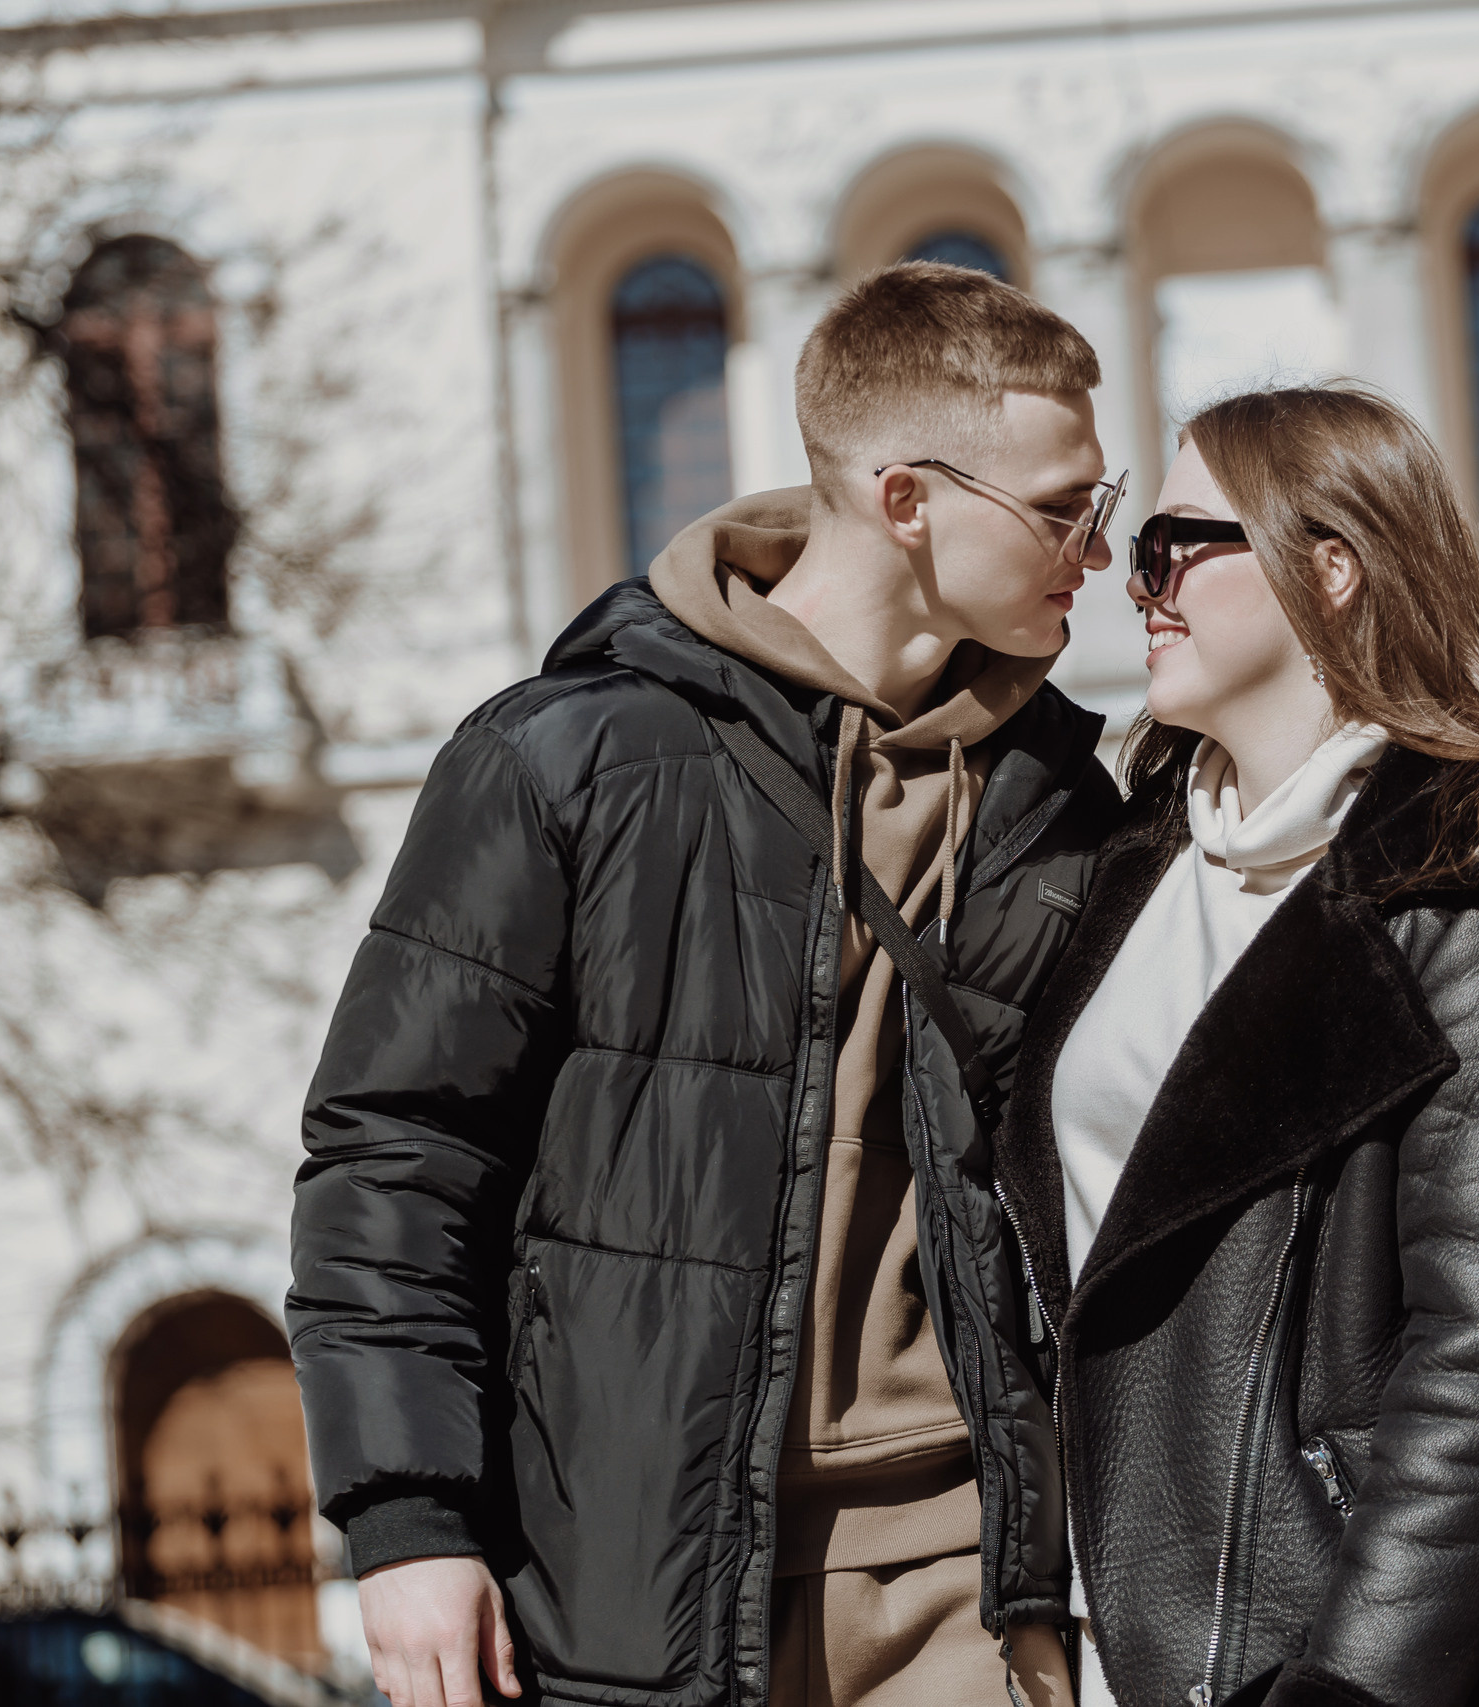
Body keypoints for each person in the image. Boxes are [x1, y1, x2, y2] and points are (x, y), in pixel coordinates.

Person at [289, 262, 1124, 1707]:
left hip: (963, 1579)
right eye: (1063, 510)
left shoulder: (1066, 806)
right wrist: (408, 1521)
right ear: (908, 498)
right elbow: (396, 1156)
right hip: (629, 1583)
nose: (1093, 553)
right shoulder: (568, 759)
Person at [991, 386, 1479, 1707]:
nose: (1137, 587)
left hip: (1342, 1656)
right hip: (1120, 1641)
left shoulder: (1474, 883)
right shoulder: (1138, 857)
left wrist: (1353, 1686)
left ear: (1325, 568)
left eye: (1173, 547)